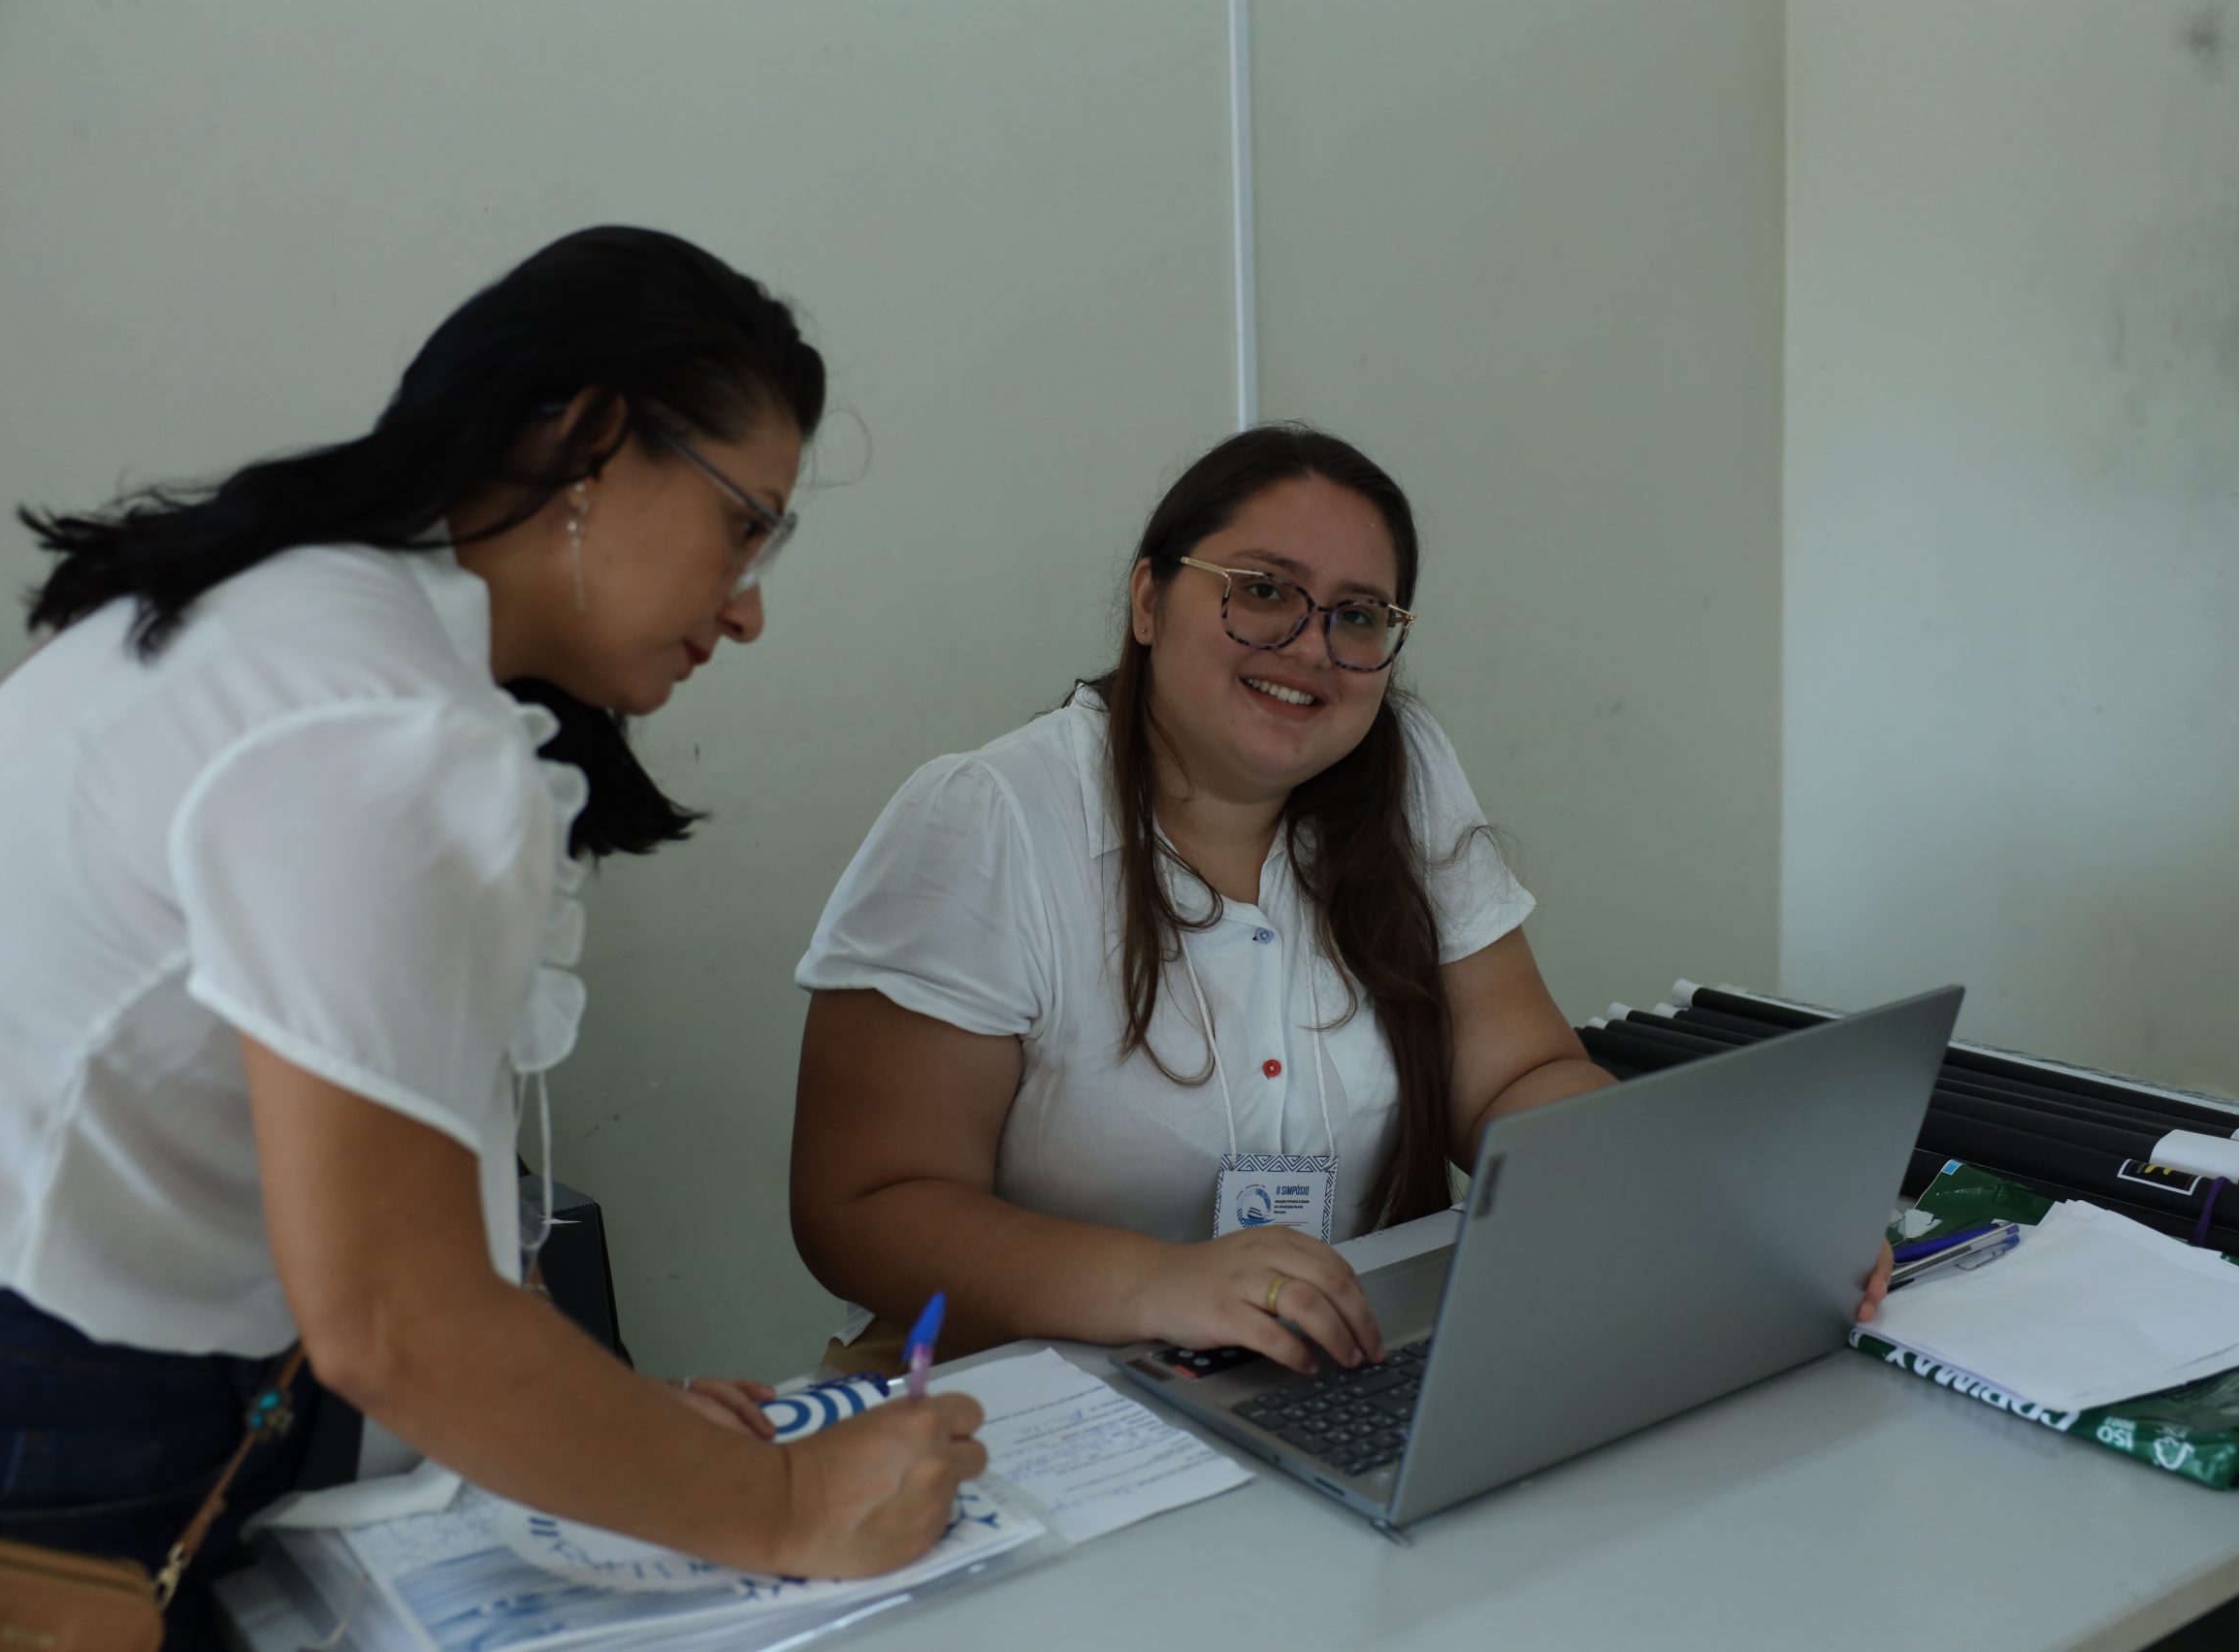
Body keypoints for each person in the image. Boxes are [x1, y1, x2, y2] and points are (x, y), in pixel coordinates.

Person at [0, 226, 982, 1647]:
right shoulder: (382, 721)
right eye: (744, 524)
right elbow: (395, 1322)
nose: (749, 605)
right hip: (42, 1418)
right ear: (585, 443)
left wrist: (611, 1432)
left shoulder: (281, 616)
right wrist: (786, 1503)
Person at [791, 425, 1893, 1377]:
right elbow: (865, 1207)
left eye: (1358, 616)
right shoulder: (988, 817)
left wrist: (1689, 1197)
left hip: (1316, 1371)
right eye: (1264, 591)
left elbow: (1514, 1076)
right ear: (1148, 599)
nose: (1312, 647)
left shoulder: (1401, 772)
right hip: (1021, 1395)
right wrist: (1163, 1284)